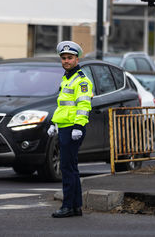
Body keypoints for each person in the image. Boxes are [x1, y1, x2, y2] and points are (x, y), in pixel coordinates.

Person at [47, 41, 93, 218]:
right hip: (65, 128)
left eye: (70, 58)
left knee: (67, 169)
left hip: (73, 129)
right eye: (64, 58)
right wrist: (54, 123)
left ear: (77, 58)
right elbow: (63, 106)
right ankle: (75, 206)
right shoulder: (67, 78)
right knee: (71, 168)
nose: (66, 61)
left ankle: (67, 206)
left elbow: (83, 105)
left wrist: (79, 126)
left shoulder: (81, 80)